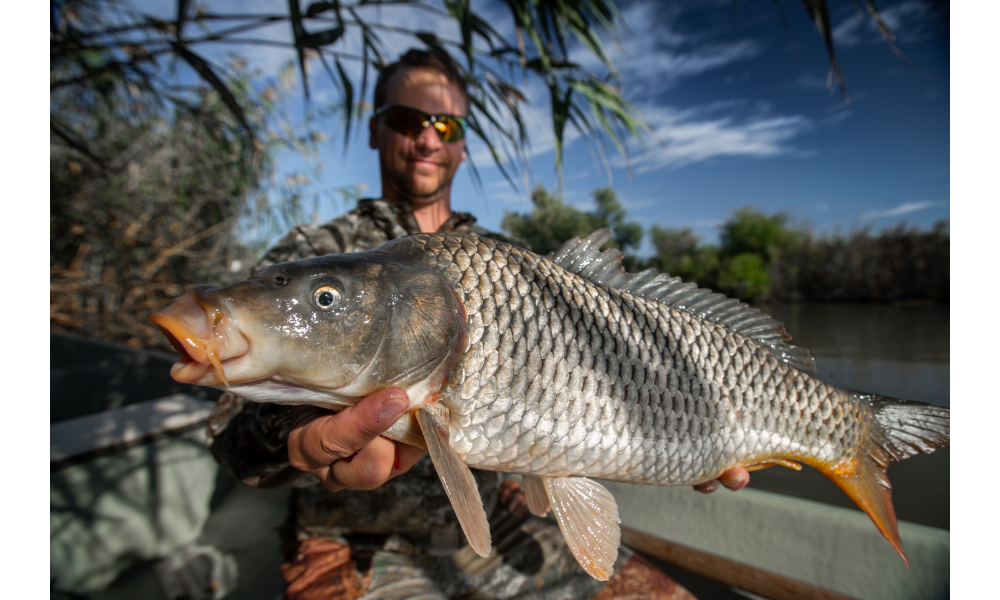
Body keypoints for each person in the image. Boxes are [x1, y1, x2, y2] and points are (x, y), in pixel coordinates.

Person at [207, 49, 750, 600]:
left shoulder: (512, 263)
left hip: (502, 525)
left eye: (446, 125)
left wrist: (687, 434)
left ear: (462, 146)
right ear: (376, 131)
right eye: (406, 121)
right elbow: (228, 434)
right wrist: (297, 436)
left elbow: (587, 398)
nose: (427, 140)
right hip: (352, 545)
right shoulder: (312, 256)